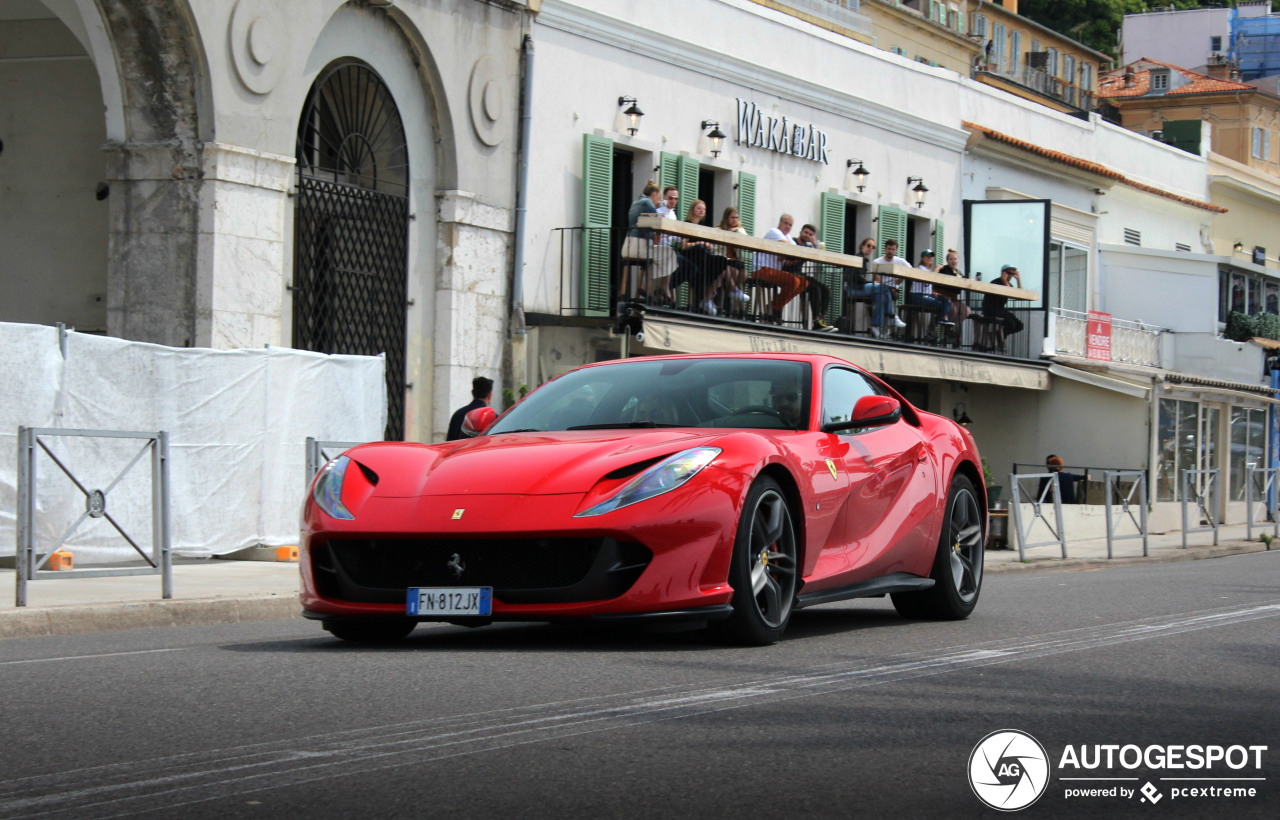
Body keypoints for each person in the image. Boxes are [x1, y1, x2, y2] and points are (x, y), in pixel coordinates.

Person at [752, 214, 809, 324]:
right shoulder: (774, 232)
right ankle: (775, 308)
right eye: (786, 223)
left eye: (790, 225)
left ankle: (775, 306)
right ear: (780, 223)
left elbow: (791, 257)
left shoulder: (787, 238)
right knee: (794, 281)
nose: (788, 226)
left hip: (773, 272)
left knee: (803, 283)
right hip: (762, 270)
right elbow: (792, 250)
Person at [678, 199, 730, 315]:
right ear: (693, 210)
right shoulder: (687, 224)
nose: (702, 211)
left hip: (702, 257)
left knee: (722, 262)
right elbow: (683, 246)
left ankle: (707, 298)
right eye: (699, 208)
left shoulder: (702, 226)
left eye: (704, 209)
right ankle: (705, 299)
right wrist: (700, 243)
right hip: (691, 257)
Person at [625, 180, 670, 303]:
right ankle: (660, 291)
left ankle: (647, 289)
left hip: (629, 244)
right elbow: (657, 221)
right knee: (669, 255)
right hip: (639, 245)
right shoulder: (648, 202)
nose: (659, 199)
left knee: (661, 256)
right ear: (654, 194)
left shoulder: (637, 202)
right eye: (659, 196)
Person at [845, 237, 898, 337]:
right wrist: (870, 282)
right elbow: (856, 277)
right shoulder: (859, 258)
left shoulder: (864, 259)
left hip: (859, 288)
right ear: (862, 246)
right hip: (853, 289)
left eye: (873, 247)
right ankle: (892, 316)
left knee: (880, 296)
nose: (870, 248)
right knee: (884, 287)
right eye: (868, 246)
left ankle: (875, 326)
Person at [789, 223, 836, 331]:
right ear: (800, 232)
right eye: (806, 232)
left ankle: (821, 320)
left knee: (826, 290)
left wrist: (815, 245)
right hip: (790, 273)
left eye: (810, 234)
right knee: (815, 289)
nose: (807, 236)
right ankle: (815, 321)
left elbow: (819, 257)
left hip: (800, 274)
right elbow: (787, 263)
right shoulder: (792, 242)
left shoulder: (808, 246)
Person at [871, 239, 911, 332]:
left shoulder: (901, 261)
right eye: (889, 249)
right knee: (885, 291)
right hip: (881, 288)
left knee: (886, 294)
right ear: (885, 249)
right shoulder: (877, 261)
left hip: (893, 289)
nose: (890, 251)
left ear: (896, 250)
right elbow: (878, 280)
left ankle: (879, 326)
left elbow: (910, 271)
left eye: (893, 249)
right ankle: (892, 316)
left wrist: (901, 278)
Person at [905, 249, 952, 325]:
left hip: (927, 295)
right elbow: (928, 279)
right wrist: (936, 270)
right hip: (917, 296)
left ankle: (941, 320)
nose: (930, 258)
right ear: (922, 258)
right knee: (941, 305)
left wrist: (934, 292)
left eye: (931, 257)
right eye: (927, 256)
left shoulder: (928, 271)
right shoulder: (918, 269)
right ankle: (937, 323)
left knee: (947, 300)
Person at [717, 206, 751, 306]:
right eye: (732, 217)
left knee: (744, 274)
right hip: (724, 260)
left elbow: (746, 239)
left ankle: (736, 302)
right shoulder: (719, 229)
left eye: (736, 217)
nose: (734, 220)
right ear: (726, 218)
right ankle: (734, 291)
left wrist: (736, 230)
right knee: (734, 272)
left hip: (736, 260)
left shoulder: (740, 230)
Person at [982, 264, 1025, 338]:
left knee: (1019, 325)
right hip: (991, 309)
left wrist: (1018, 279)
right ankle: (998, 337)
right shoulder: (996, 282)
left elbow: (1019, 295)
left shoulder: (1008, 284)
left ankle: (997, 336)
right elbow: (1008, 291)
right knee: (1011, 324)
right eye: (1009, 273)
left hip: (1000, 309)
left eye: (1012, 274)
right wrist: (1004, 279)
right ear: (1003, 272)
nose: (1011, 276)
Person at [447, 376, 494, 441]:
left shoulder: (458, 414)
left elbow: (449, 441)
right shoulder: (494, 418)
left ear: (472, 392)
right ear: (490, 395)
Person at [934, 248, 972, 323]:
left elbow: (965, 281)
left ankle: (952, 329)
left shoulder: (959, 273)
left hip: (953, 299)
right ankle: (942, 328)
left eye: (955, 259)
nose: (953, 261)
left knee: (967, 311)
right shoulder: (944, 269)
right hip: (943, 297)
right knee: (953, 310)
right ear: (947, 261)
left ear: (957, 260)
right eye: (951, 259)